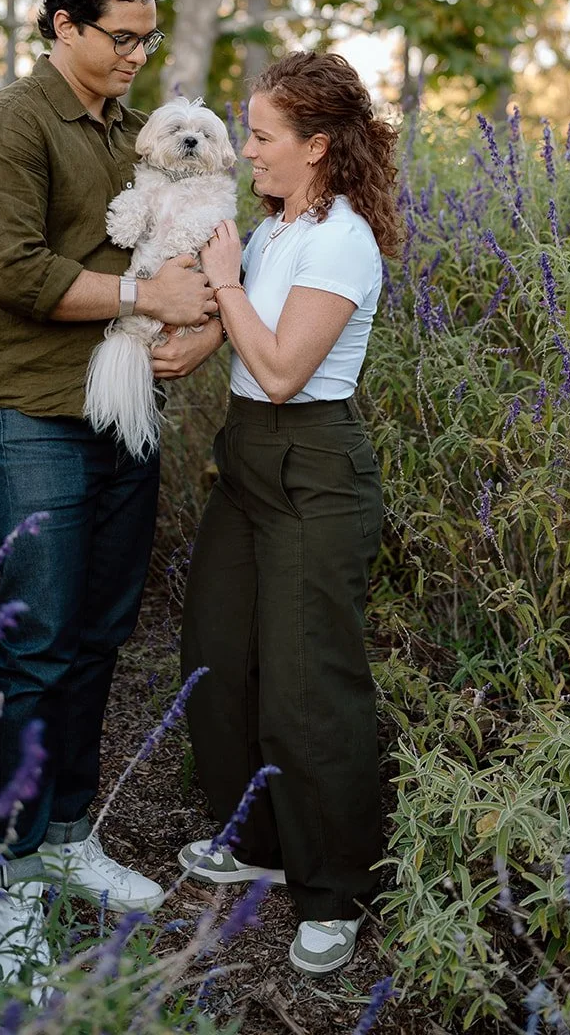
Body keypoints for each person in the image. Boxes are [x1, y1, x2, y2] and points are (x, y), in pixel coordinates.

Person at [0, 0, 223, 991]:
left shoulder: (120, 131)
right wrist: (149, 302)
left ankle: (62, 832)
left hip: (121, 411)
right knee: (38, 639)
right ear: (62, 23)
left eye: (146, 39)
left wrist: (192, 325)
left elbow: (171, 252)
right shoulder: (6, 127)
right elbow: (16, 274)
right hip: (31, 409)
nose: (136, 57)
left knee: (98, 631)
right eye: (120, 37)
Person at [178, 50, 401, 978]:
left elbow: (279, 370)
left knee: (308, 688)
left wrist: (224, 283)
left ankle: (336, 890)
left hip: (313, 464)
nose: (247, 154)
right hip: (247, 460)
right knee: (216, 655)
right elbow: (237, 344)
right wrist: (170, 334)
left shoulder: (339, 239)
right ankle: (257, 840)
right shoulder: (274, 231)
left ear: (315, 146)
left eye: (261, 138)